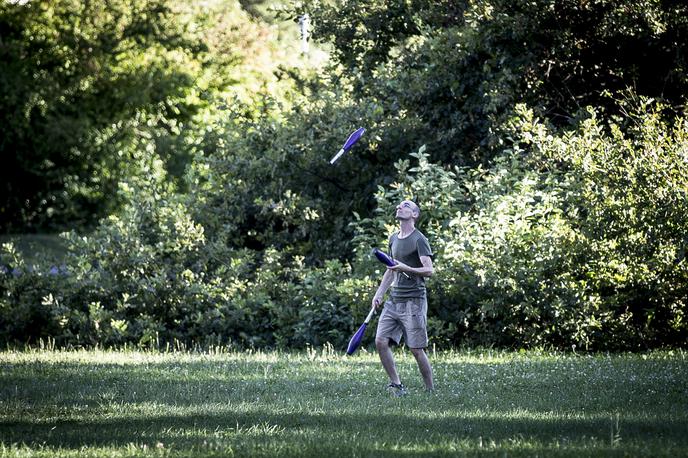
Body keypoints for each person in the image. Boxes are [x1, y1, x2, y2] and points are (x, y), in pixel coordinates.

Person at [372, 199, 434, 396]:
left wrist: (404, 268)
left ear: (414, 214)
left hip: (414, 301)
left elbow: (429, 271)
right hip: (394, 299)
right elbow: (391, 270)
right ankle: (396, 384)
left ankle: (430, 390)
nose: (400, 207)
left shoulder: (419, 239)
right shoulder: (393, 238)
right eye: (399, 205)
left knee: (416, 349)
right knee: (381, 341)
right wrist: (379, 294)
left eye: (406, 205)